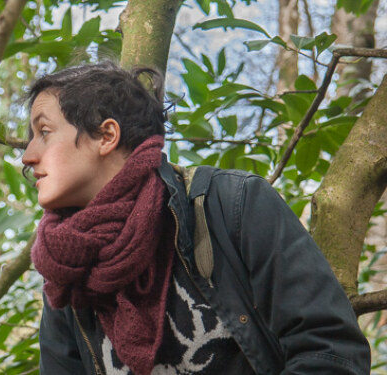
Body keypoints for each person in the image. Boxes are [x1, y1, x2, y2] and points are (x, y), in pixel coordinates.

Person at [21, 62, 370, 375]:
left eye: (44, 132)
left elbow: (331, 352)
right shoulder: (66, 272)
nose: (27, 156)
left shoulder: (233, 205)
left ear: (107, 136)